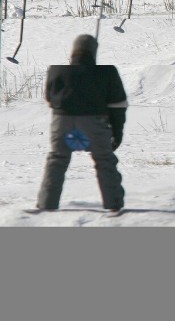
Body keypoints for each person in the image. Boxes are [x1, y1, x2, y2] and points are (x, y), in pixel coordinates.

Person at [36, 34, 128, 212]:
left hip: (61, 122)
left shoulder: (56, 70)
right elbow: (118, 105)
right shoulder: (107, 71)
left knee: (57, 159)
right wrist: (117, 133)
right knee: (104, 160)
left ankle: (46, 204)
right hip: (94, 123)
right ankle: (114, 204)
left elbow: (50, 98)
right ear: (93, 52)